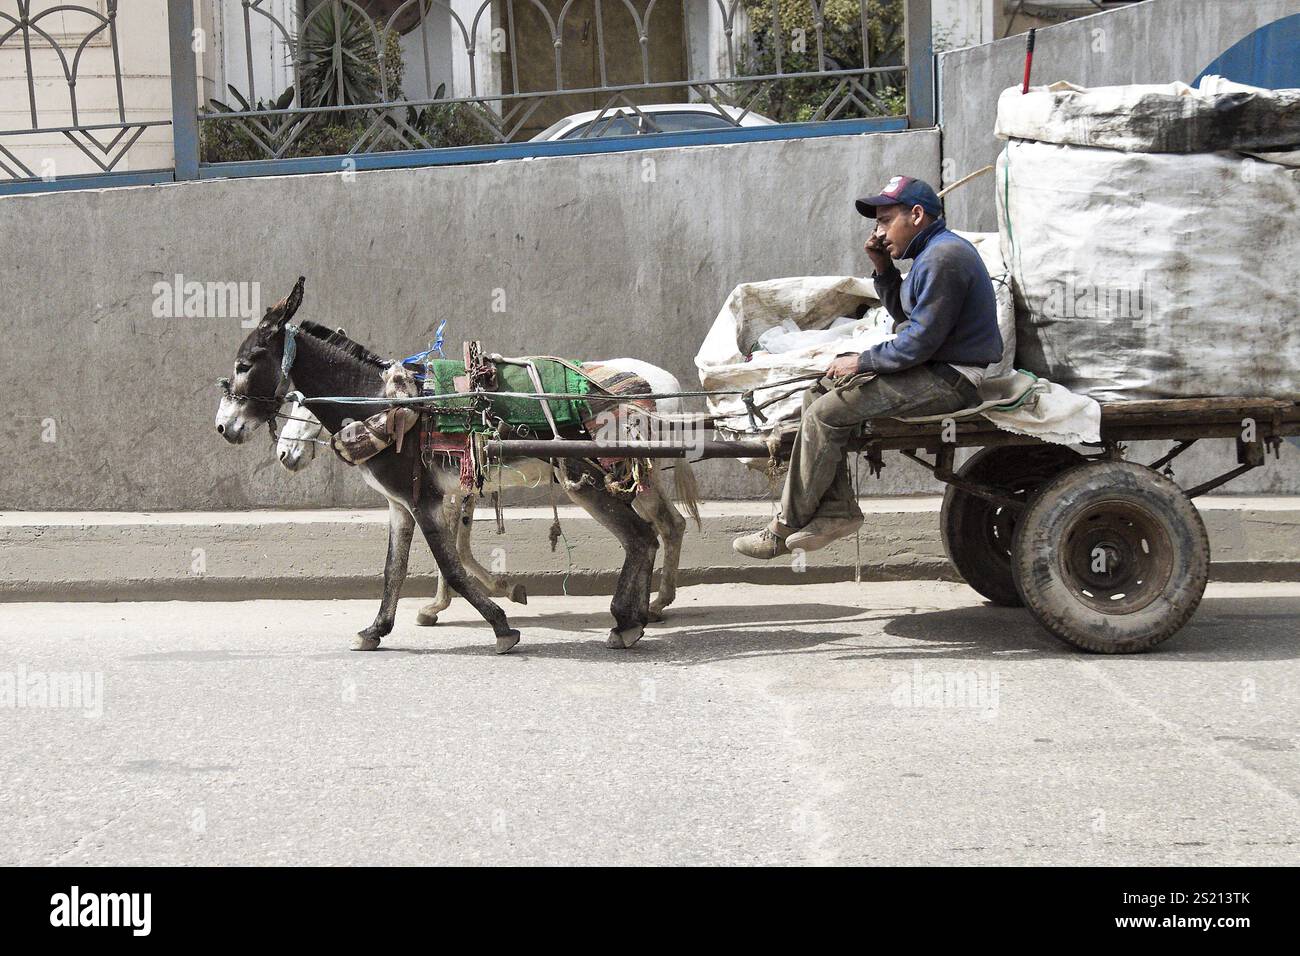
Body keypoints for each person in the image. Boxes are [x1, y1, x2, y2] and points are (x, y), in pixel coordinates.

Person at [733, 175, 1003, 559]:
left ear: (916, 214)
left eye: (884, 220)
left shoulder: (944, 257)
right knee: (817, 393)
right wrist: (883, 268)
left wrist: (861, 360)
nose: (878, 232)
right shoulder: (930, 254)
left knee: (828, 413)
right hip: (933, 368)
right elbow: (905, 317)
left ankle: (785, 525)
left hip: (951, 378)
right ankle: (837, 509)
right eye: (876, 223)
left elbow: (919, 343)